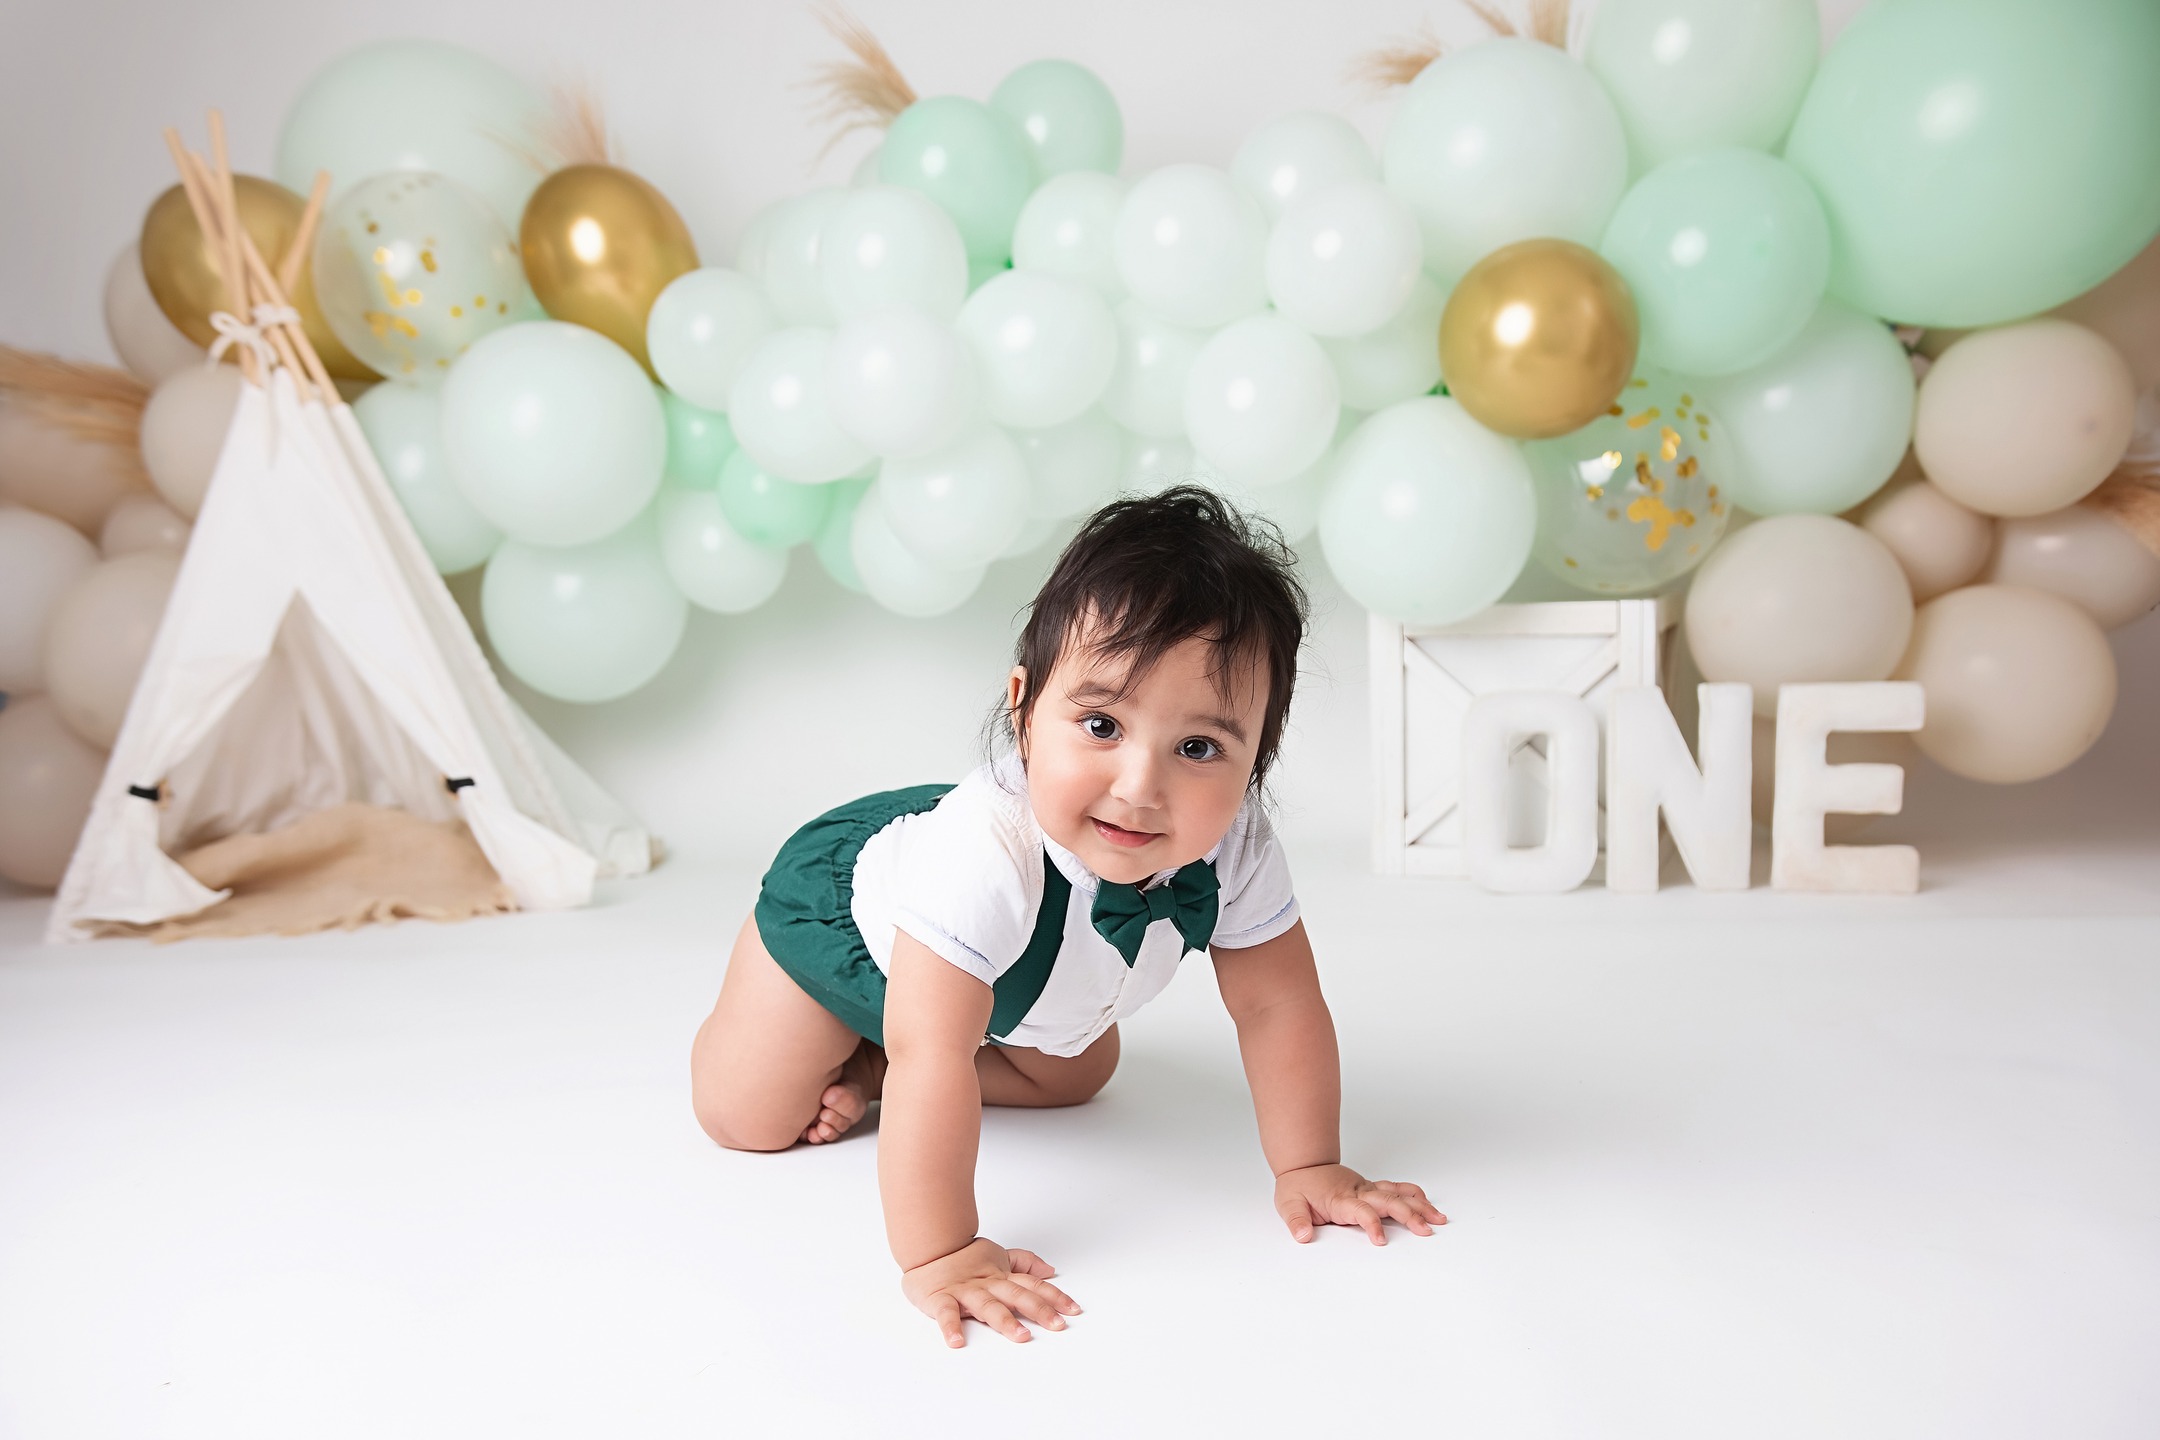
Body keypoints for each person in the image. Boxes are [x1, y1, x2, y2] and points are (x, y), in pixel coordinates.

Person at [690, 485, 1445, 1347]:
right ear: (1024, 710)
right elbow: (933, 1055)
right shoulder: (978, 856)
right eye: (1099, 723)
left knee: (1080, 1068)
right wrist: (942, 1254)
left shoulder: (1236, 842)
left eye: (1198, 748)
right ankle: (844, 1039)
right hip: (852, 924)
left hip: (995, 981)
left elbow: (1278, 1006)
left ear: (1256, 760)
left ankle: (863, 1074)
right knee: (748, 1116)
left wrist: (1312, 1165)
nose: (1139, 787)